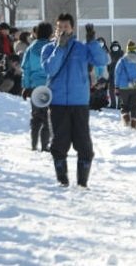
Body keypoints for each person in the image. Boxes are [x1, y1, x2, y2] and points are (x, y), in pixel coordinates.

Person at [41, 14, 109, 188]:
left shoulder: (81, 48)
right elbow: (50, 68)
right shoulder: (49, 49)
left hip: (79, 102)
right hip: (57, 102)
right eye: (60, 27)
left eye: (66, 27)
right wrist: (60, 48)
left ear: (72, 28)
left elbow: (102, 60)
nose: (63, 30)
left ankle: (82, 181)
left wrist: (92, 41)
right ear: (56, 29)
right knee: (59, 143)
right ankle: (62, 179)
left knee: (84, 144)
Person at [21, 22, 53, 152]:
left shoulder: (30, 48)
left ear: (36, 33)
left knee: (36, 115)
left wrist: (26, 86)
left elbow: (26, 69)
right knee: (48, 117)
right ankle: (45, 146)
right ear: (50, 34)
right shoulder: (52, 47)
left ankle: (34, 144)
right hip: (49, 86)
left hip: (34, 87)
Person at [114, 40, 136, 129]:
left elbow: (117, 73)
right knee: (134, 106)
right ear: (135, 49)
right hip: (135, 87)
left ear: (127, 49)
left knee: (124, 105)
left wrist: (116, 86)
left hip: (123, 87)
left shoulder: (122, 61)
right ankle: (133, 125)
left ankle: (126, 122)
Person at [107, 40, 123, 109]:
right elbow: (107, 65)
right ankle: (113, 104)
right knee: (111, 90)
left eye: (116, 46)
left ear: (119, 47)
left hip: (120, 75)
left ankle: (120, 105)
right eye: (114, 47)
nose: (115, 48)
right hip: (111, 75)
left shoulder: (122, 54)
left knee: (119, 90)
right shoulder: (109, 55)